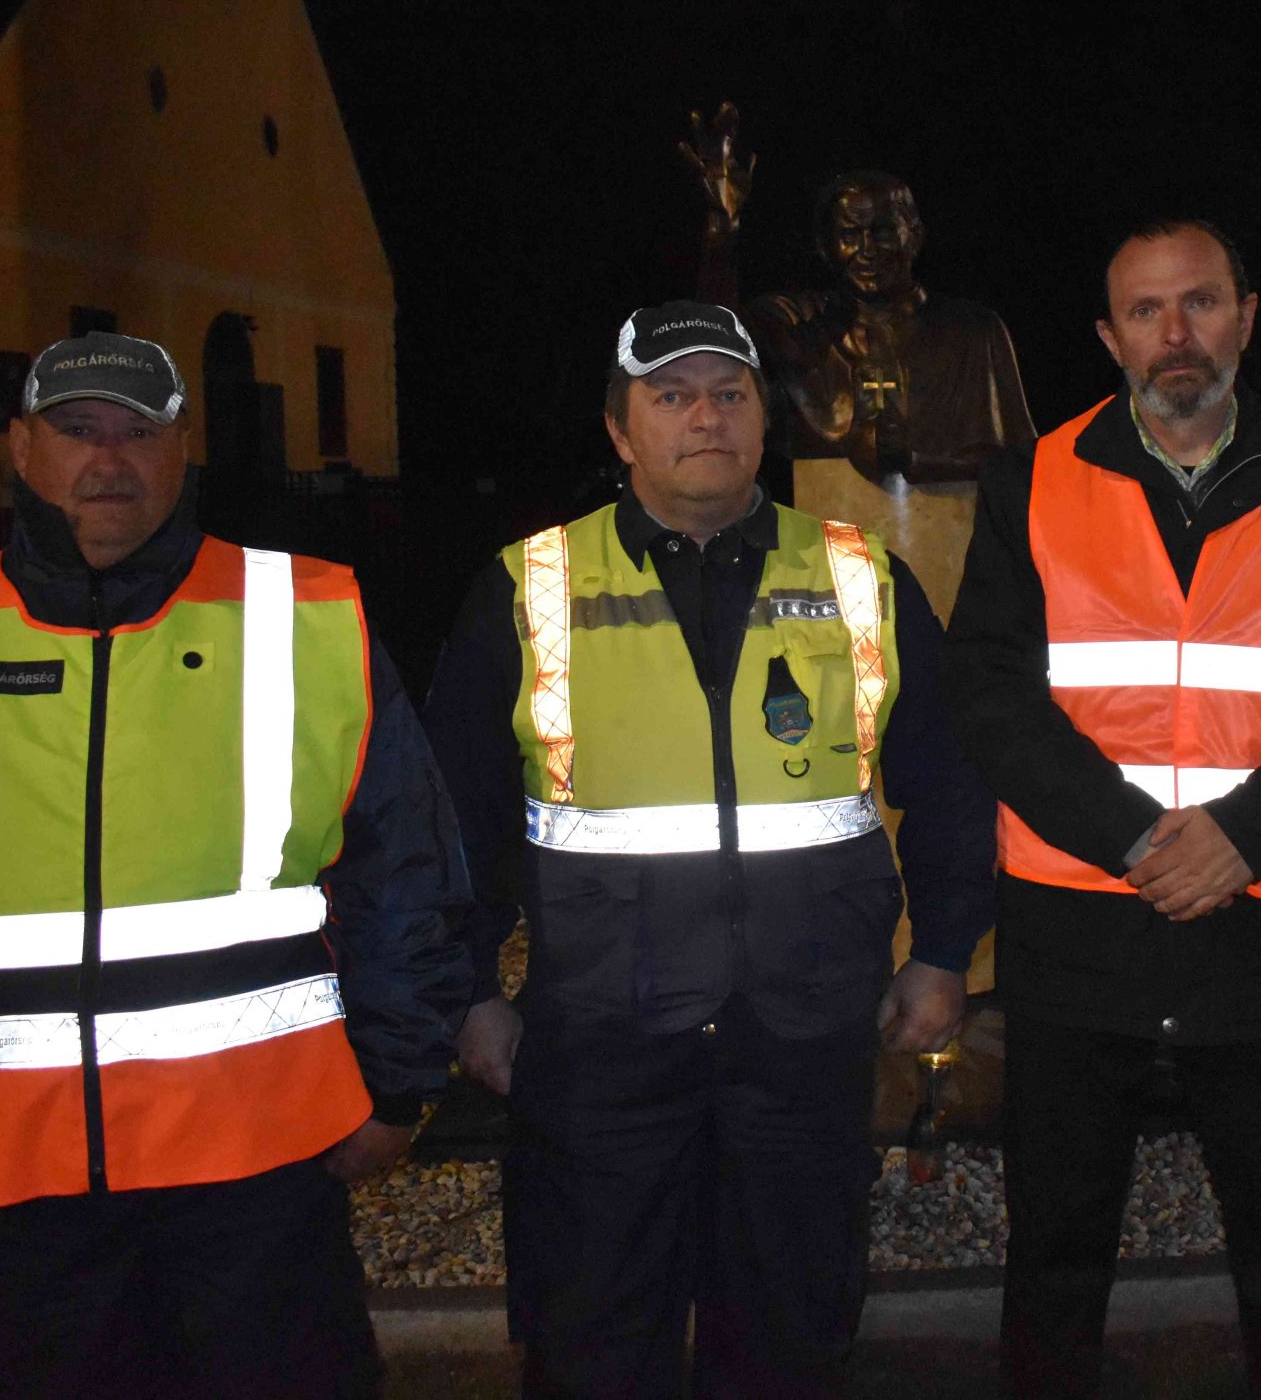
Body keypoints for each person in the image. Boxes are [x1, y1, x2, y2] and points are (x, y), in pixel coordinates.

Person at [0, 330, 471, 1400]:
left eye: (140, 431)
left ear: (182, 449)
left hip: (262, 1172)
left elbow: (406, 867)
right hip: (23, 1190)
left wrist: (399, 1082)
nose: (110, 458)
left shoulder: (304, 618)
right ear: (20, 448)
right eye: (78, 429)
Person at [422, 300, 995, 1398]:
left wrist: (941, 953)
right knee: (593, 1342)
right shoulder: (528, 586)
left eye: (729, 394)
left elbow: (950, 780)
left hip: (804, 1035)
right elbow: (453, 816)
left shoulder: (860, 577)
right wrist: (467, 992)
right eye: (672, 395)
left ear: (762, 421)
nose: (705, 417)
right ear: (619, 428)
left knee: (791, 1338)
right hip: (600, 1044)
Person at [945, 220, 1261, 1399]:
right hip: (1077, 930)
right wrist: (1133, 837)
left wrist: (1241, 838)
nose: (1176, 334)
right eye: (1146, 311)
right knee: (1054, 1253)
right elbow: (991, 693)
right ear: (1109, 337)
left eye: (1200, 303)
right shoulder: (1031, 479)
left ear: (1246, 318)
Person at [748, 171, 1036, 485]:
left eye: (883, 231)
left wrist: (916, 463)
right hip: (823, 515)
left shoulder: (973, 331)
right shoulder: (798, 324)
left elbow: (1022, 461)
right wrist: (723, 234)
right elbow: (725, 343)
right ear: (825, 247)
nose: (868, 249)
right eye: (850, 235)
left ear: (915, 235)